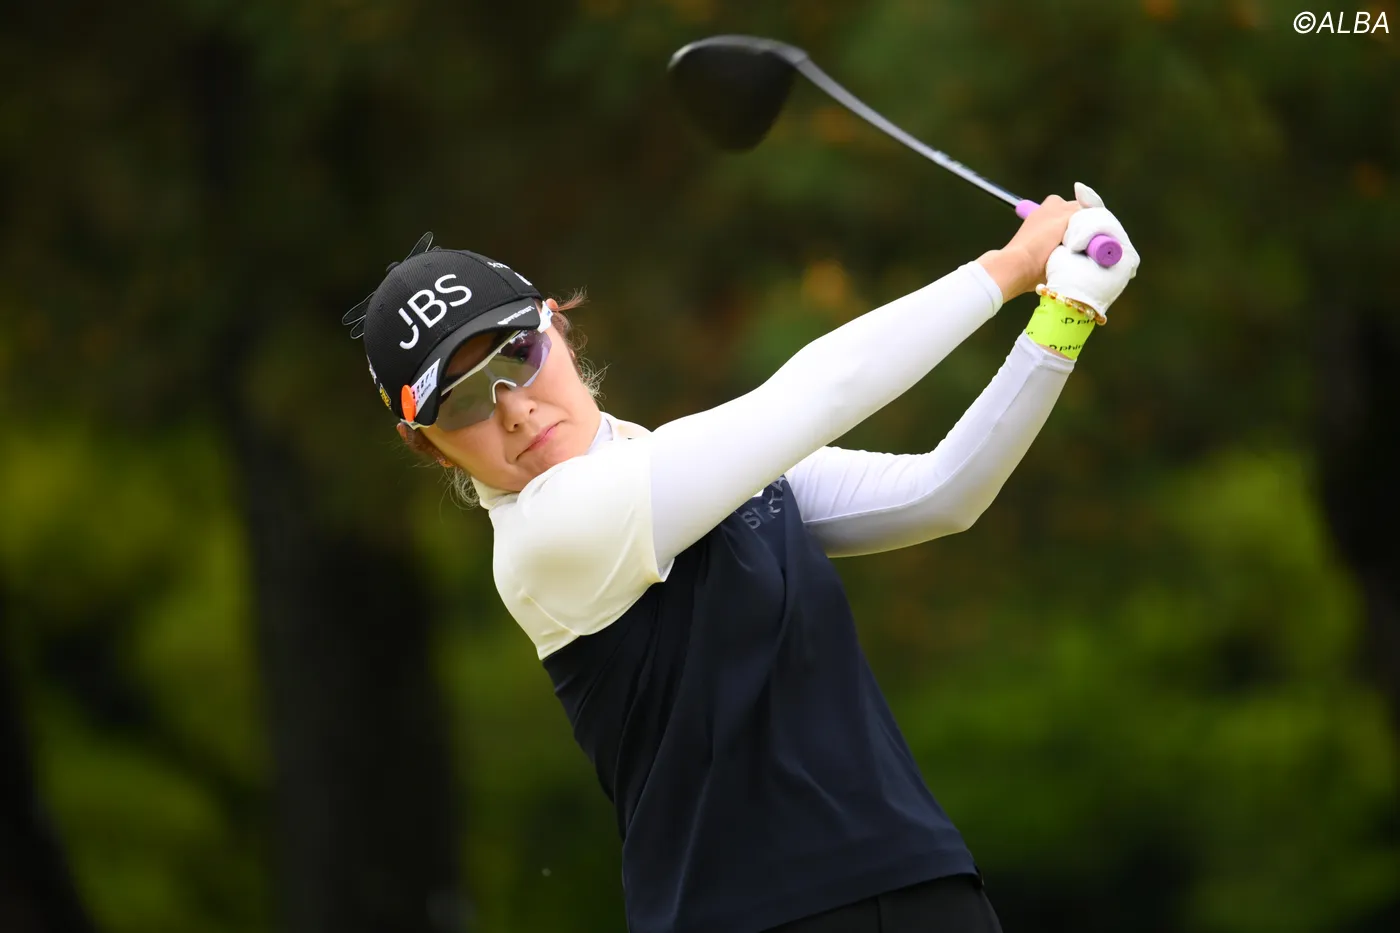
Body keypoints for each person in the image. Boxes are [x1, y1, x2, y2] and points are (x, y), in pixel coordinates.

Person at [341, 183, 1140, 933]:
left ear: (558, 327)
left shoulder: (692, 467)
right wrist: (1012, 266)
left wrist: (1066, 311)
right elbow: (818, 394)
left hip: (919, 879)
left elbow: (940, 494)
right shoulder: (549, 537)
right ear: (430, 446)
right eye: (463, 401)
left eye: (517, 354)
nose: (512, 409)